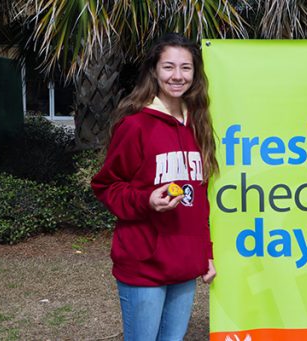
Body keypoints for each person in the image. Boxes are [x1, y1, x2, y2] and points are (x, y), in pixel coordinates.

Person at [91, 33, 218, 341]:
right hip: (143, 264)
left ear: (195, 73)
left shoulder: (198, 123)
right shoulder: (136, 125)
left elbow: (199, 200)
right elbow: (106, 185)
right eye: (169, 67)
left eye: (186, 68)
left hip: (185, 263)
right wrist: (146, 199)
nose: (177, 76)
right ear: (154, 71)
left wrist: (206, 253)